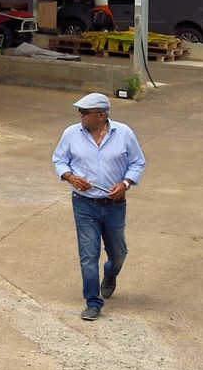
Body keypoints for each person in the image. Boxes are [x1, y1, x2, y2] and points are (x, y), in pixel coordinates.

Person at [52, 92, 145, 320]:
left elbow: (137, 162)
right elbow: (59, 159)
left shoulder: (124, 133)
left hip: (114, 204)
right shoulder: (71, 133)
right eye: (80, 112)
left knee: (119, 252)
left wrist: (125, 183)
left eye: (85, 112)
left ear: (102, 115)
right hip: (84, 204)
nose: (80, 116)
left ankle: (111, 273)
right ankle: (93, 302)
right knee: (88, 254)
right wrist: (70, 177)